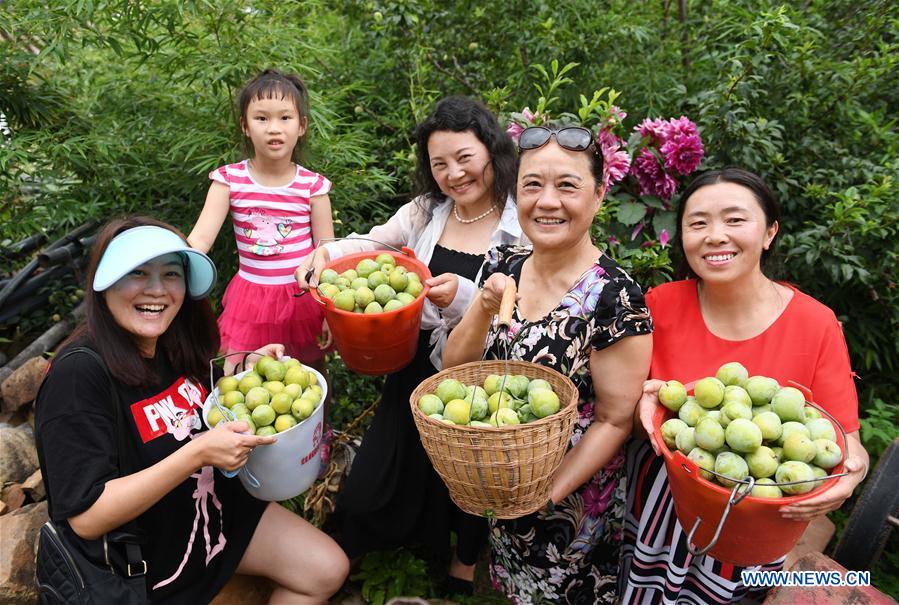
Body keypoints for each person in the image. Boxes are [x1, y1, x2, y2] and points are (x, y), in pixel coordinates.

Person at [35, 216, 348, 604]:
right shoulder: (78, 375)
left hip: (210, 516)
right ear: (105, 283)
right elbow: (86, 518)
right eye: (137, 273)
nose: (157, 289)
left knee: (326, 568)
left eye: (171, 273)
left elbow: (195, 404)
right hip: (144, 555)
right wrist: (196, 454)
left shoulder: (169, 340)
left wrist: (244, 371)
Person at [296, 95, 526, 591]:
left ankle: (464, 559)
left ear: (491, 151)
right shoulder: (427, 211)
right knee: (381, 470)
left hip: (476, 373)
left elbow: (524, 303)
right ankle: (368, 542)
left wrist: (463, 295)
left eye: (464, 158)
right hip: (415, 362)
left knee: (468, 471)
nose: (454, 174)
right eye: (439, 164)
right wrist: (326, 253)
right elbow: (372, 243)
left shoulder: (520, 223)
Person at [620, 168, 870, 604]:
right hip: (661, 511)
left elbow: (847, 444)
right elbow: (633, 422)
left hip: (755, 528)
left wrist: (851, 479)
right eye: (698, 223)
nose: (715, 236)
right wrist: (642, 408)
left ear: (770, 232)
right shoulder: (660, 304)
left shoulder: (815, 323)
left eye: (735, 220)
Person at [443, 124, 654, 604]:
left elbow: (614, 420)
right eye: (532, 185)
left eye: (567, 186)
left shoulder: (615, 297)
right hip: (501, 487)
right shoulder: (503, 263)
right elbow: (455, 368)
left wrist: (542, 496)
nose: (547, 201)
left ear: (598, 195)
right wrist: (482, 306)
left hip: (570, 509)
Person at [187, 69, 334, 377]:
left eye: (285, 117)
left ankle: (320, 413)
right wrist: (168, 268)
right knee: (243, 377)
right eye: (262, 118)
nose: (274, 128)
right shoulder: (229, 180)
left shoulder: (313, 186)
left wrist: (329, 310)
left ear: (302, 125)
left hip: (302, 299)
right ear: (245, 125)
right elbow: (199, 241)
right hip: (251, 302)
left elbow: (326, 252)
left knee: (309, 376)